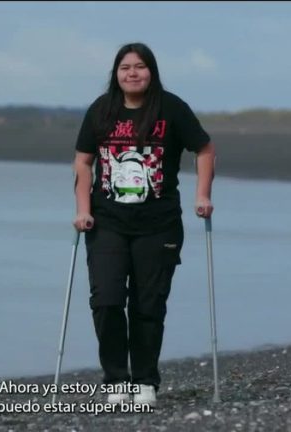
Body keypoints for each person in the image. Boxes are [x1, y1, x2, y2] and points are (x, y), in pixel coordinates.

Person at [72, 42, 216, 407]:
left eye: (139, 66)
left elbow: (204, 149)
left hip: (159, 224)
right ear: (116, 73)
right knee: (106, 300)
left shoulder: (171, 108)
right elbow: (83, 162)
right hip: (106, 222)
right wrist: (83, 208)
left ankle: (145, 382)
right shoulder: (101, 110)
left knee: (147, 305)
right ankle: (116, 380)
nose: (132, 73)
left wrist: (202, 195)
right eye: (125, 67)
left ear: (151, 71)